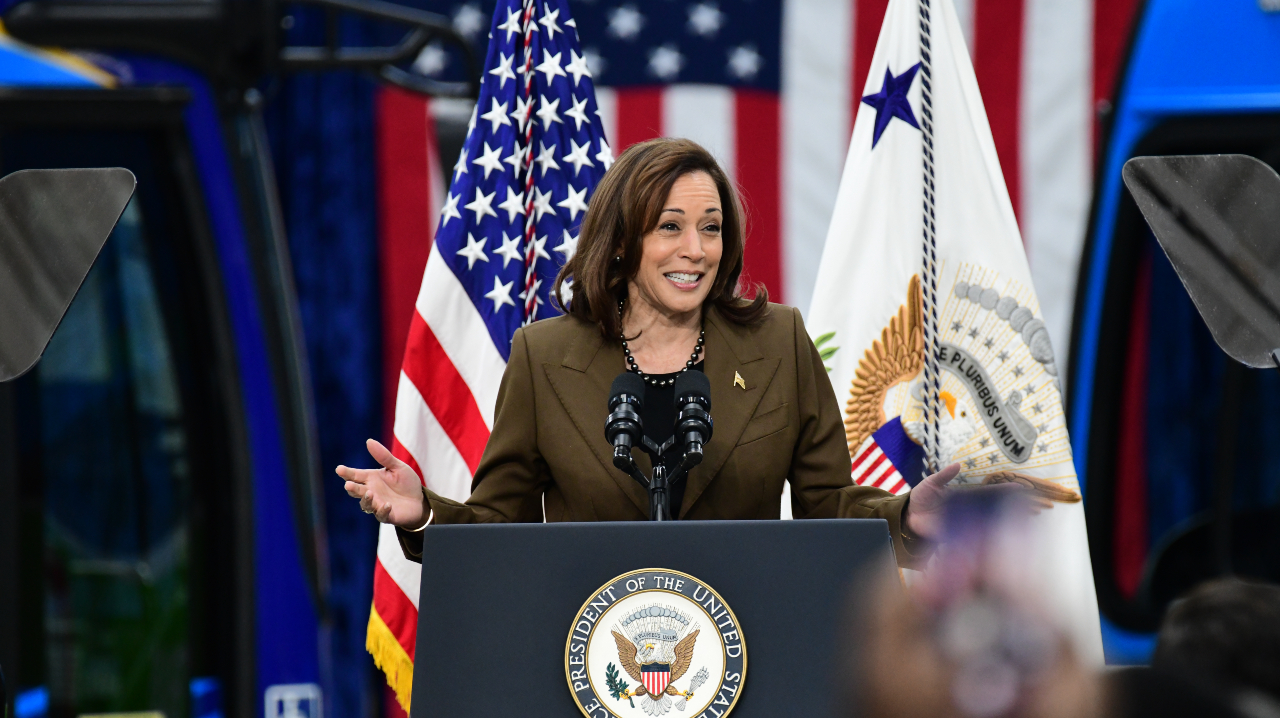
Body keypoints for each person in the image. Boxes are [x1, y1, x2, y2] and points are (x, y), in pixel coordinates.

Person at [337, 137, 961, 567]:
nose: (697, 248)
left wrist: (908, 517)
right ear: (619, 242)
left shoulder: (778, 342)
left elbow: (829, 509)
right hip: (595, 664)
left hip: (750, 650)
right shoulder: (544, 357)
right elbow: (505, 530)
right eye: (670, 227)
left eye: (711, 227)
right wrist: (423, 516)